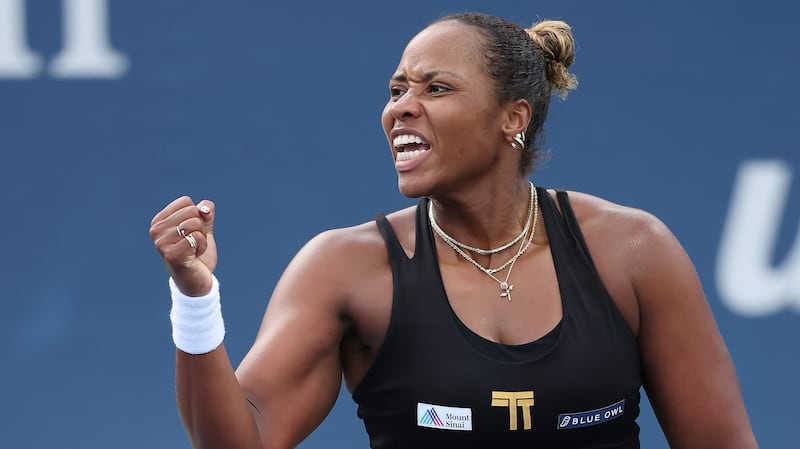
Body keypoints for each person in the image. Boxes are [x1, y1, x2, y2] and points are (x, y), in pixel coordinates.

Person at [149, 12, 758, 449]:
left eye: (435, 89)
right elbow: (241, 441)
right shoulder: (343, 268)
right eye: (397, 90)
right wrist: (195, 298)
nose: (401, 107)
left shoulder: (633, 252)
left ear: (511, 118)